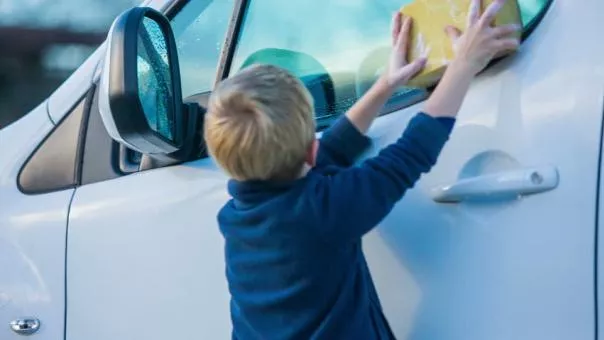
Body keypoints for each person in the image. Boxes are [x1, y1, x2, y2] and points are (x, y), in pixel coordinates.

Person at [203, 0, 520, 338]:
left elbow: (327, 155)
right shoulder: (322, 211)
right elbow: (409, 154)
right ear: (312, 150)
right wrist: (463, 65)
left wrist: (384, 84)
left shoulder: (239, 217)